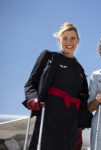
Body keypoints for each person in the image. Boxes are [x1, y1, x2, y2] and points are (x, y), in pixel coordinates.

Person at [22, 22, 91, 150]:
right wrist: (32, 98)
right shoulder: (49, 57)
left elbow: (82, 100)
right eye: (65, 38)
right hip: (48, 116)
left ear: (78, 41)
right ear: (59, 40)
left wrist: (80, 127)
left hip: (71, 123)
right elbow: (30, 83)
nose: (69, 42)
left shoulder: (80, 69)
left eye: (72, 38)